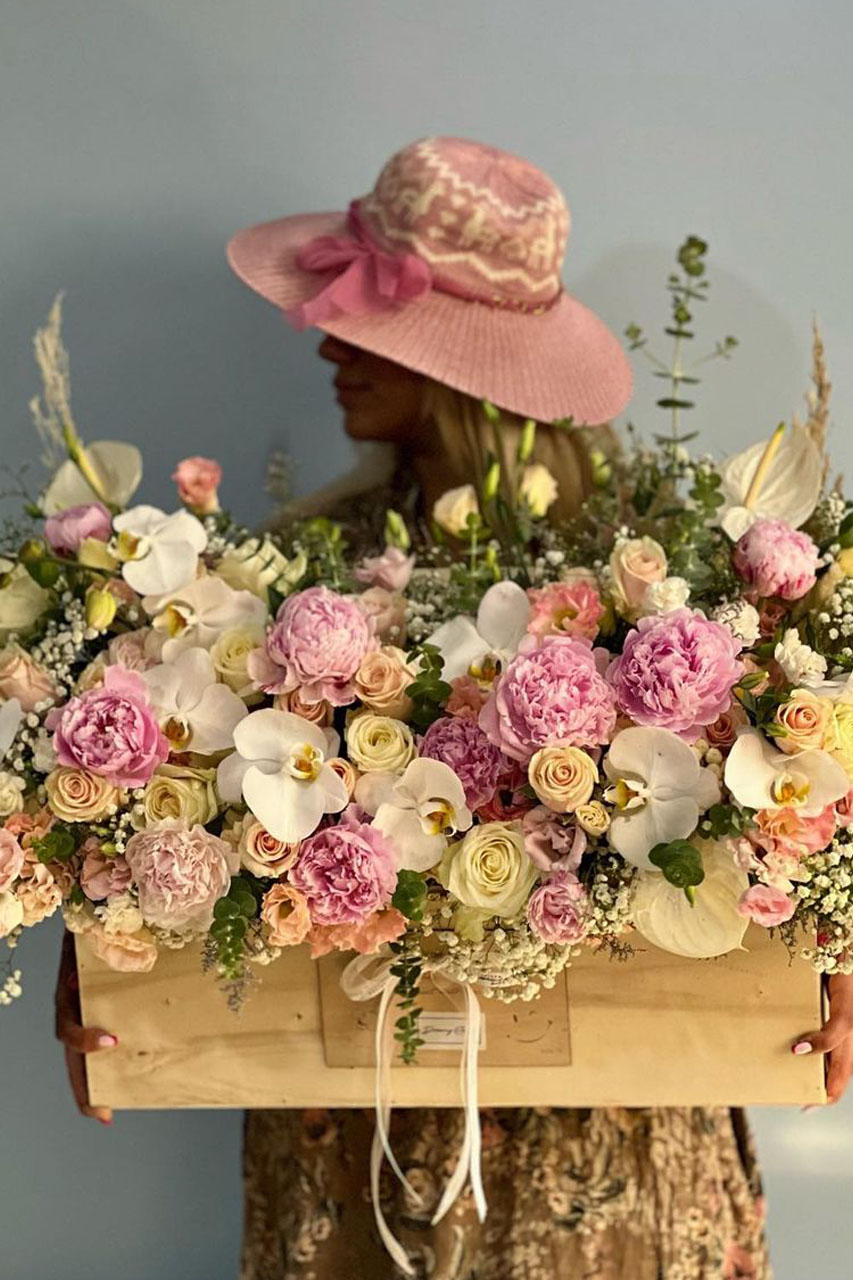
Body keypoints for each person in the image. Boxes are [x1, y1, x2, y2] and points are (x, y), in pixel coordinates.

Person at [55, 136, 853, 1280]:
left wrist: (831, 951)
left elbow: (796, 812)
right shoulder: (276, 578)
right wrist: (107, 938)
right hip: (348, 1131)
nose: (326, 344)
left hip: (613, 1139)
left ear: (461, 365)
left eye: (363, 323)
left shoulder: (658, 579)